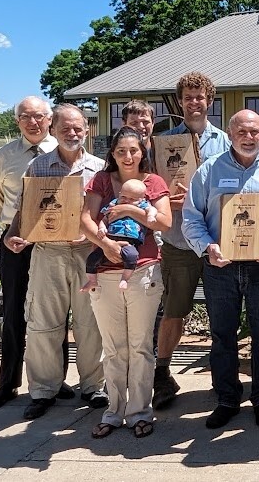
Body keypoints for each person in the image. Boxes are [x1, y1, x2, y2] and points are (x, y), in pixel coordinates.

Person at [182, 110, 259, 430]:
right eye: (242, 132)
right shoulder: (209, 171)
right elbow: (192, 217)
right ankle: (227, 399)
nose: (249, 137)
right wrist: (207, 247)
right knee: (222, 337)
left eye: (255, 132)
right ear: (230, 134)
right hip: (221, 267)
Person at [4, 103, 107, 420]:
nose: (72, 133)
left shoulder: (101, 168)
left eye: (78, 128)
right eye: (65, 128)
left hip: (88, 253)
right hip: (48, 252)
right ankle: (44, 390)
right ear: (54, 130)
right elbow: (24, 210)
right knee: (43, 323)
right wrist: (12, 234)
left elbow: (107, 212)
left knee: (91, 323)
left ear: (87, 130)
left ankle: (94, 386)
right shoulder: (38, 168)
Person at [0, 97, 75, 413]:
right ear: (18, 121)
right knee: (13, 310)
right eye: (25, 117)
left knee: (55, 311)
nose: (33, 122)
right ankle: (7, 384)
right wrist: (13, 230)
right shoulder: (2, 157)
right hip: (16, 241)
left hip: (54, 240)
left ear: (50, 119)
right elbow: (0, 202)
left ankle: (55, 380)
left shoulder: (63, 149)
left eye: (39, 116)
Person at [79, 127, 171, 439]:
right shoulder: (101, 180)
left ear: (143, 151)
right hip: (104, 272)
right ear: (113, 153)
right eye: (121, 151)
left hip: (143, 271)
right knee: (114, 347)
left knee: (141, 346)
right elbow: (86, 219)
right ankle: (114, 411)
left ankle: (140, 413)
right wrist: (106, 244)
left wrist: (131, 208)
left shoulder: (154, 182)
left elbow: (164, 221)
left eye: (134, 150)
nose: (128, 156)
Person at [152, 72, 230, 410]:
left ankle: (221, 376)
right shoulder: (165, 143)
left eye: (200, 97)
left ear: (209, 101)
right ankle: (162, 374)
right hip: (178, 241)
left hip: (216, 242)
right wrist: (164, 199)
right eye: (188, 97)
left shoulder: (226, 142)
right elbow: (152, 188)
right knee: (174, 311)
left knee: (221, 313)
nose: (194, 102)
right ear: (180, 101)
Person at [80, 178, 158, 293]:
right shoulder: (114, 204)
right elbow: (105, 219)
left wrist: (151, 216)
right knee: (92, 258)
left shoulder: (142, 206)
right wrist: (102, 228)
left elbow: (152, 209)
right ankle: (92, 280)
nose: (127, 201)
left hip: (130, 241)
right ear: (120, 194)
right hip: (110, 238)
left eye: (132, 199)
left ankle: (125, 278)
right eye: (124, 197)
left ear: (141, 199)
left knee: (132, 256)